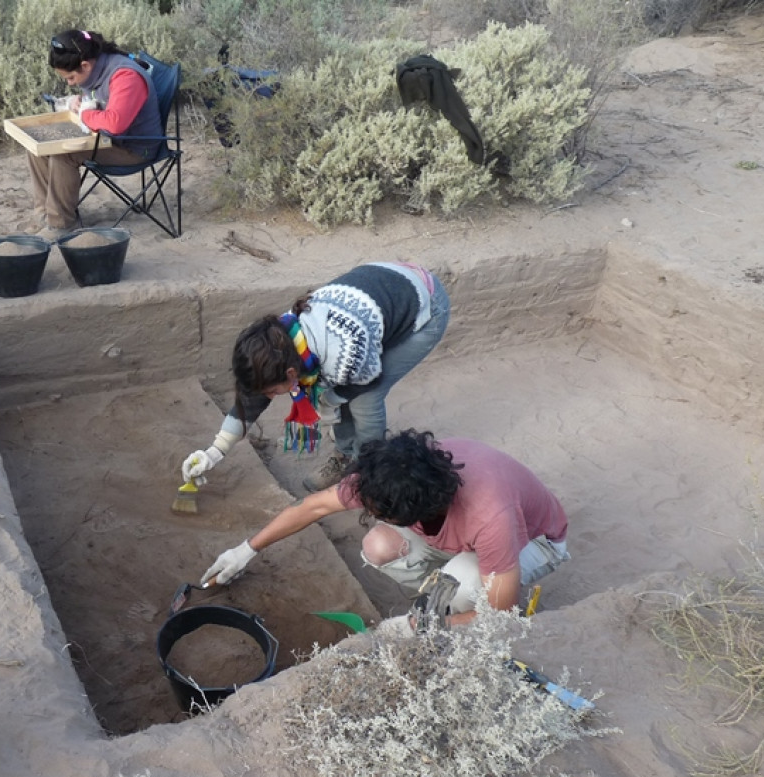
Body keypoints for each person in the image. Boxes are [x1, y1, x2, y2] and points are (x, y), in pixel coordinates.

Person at [199, 430, 570, 630]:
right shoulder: (394, 472)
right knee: (379, 544)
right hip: (461, 534)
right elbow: (313, 506)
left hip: (534, 541)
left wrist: (418, 629)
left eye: (383, 511)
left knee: (463, 582)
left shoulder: (492, 518)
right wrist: (247, 549)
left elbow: (499, 617)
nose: (368, 510)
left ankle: (448, 610)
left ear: (414, 510)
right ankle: (441, 604)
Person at [181, 262, 450, 493]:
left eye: (275, 391)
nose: (273, 397)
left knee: (364, 400)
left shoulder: (343, 352)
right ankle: (344, 456)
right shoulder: (282, 338)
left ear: (290, 373)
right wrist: (214, 451)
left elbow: (364, 382)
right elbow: (252, 400)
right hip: (379, 294)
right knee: (333, 395)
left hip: (424, 303)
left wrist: (330, 399)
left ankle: (368, 472)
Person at [29, 30, 163, 238]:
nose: (70, 83)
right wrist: (79, 102)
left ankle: (62, 224)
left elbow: (115, 123)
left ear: (85, 65)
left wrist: (86, 114)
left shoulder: (125, 76)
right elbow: (98, 99)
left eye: (71, 77)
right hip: (106, 139)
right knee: (39, 143)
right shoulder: (96, 68)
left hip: (132, 147)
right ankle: (45, 212)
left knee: (65, 153)